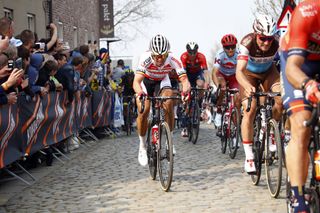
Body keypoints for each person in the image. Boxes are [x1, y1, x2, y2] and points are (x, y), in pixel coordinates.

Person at [280, 1, 320, 212]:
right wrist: (309, 84)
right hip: (297, 63)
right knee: (302, 124)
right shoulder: (307, 12)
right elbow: (292, 69)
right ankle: (298, 199)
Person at [133, 34, 190, 166]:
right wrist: (140, 93)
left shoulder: (173, 59)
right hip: (145, 82)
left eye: (163, 56)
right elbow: (136, 82)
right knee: (144, 109)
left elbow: (184, 80)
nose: (159, 59)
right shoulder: (145, 58)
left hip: (162, 81)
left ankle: (169, 141)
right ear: (151, 54)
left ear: (167, 53)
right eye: (156, 56)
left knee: (169, 101)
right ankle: (142, 146)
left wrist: (185, 90)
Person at [236, 14, 282, 174]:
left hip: (269, 73)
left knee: (280, 98)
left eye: (270, 39)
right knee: (250, 108)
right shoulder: (247, 43)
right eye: (263, 38)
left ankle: (271, 131)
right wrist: (247, 86)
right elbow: (239, 72)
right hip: (249, 75)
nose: (267, 43)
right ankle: (249, 156)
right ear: (256, 34)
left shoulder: (277, 41)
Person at [211, 34, 240, 134]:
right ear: (223, 47)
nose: (230, 50)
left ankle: (236, 127)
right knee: (223, 87)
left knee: (237, 98)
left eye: (233, 47)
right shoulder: (220, 54)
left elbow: (244, 71)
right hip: (221, 74)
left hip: (233, 76)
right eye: (227, 47)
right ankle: (219, 111)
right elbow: (214, 72)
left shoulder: (239, 54)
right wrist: (217, 86)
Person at [180, 42, 209, 137]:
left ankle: (198, 103)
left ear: (197, 51)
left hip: (197, 74)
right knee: (186, 101)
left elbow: (205, 72)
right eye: (190, 52)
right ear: (187, 51)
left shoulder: (201, 57)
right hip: (187, 74)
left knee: (201, 84)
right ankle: (184, 127)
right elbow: (183, 74)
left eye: (194, 52)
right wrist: (186, 84)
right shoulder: (184, 57)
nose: (192, 54)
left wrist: (207, 83)